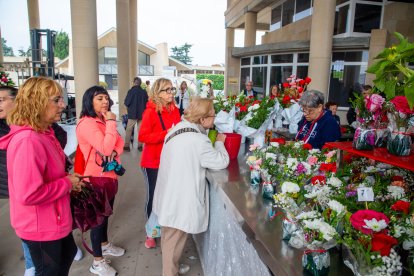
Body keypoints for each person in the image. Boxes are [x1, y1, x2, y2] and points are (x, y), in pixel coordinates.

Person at [0, 77, 82, 276]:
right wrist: (66, 183)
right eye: (56, 100)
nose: (63, 105)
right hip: (40, 226)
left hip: (52, 219)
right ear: (37, 101)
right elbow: (28, 194)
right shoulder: (28, 140)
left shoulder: (43, 133)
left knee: (68, 254)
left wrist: (68, 181)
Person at [153, 97, 230, 276]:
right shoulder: (198, 140)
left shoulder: (177, 129)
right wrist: (219, 142)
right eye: (213, 115)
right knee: (173, 240)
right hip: (179, 198)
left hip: (169, 193)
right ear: (202, 119)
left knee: (170, 236)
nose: (215, 118)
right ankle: (169, 272)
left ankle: (172, 266)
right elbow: (221, 161)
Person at [76, 86, 125, 276]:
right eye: (99, 98)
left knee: (105, 214)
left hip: (109, 176)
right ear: (90, 101)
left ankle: (104, 245)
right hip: (95, 177)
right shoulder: (87, 123)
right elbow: (105, 148)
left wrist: (113, 151)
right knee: (98, 220)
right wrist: (112, 123)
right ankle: (97, 262)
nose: (105, 102)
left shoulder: (103, 120)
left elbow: (118, 144)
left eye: (106, 98)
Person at [138, 78, 181, 249]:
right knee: (154, 197)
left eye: (172, 89)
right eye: (167, 90)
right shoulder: (150, 112)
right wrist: (166, 133)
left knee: (167, 197)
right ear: (158, 93)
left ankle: (163, 227)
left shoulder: (175, 110)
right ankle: (150, 232)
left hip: (170, 160)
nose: (171, 93)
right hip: (153, 162)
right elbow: (142, 137)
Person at [124, 77, 148, 152]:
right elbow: (147, 103)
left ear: (134, 82)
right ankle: (140, 146)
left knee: (129, 130)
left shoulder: (131, 91)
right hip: (142, 114)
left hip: (132, 114)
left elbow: (126, 102)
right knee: (141, 130)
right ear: (140, 83)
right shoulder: (144, 92)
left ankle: (126, 146)